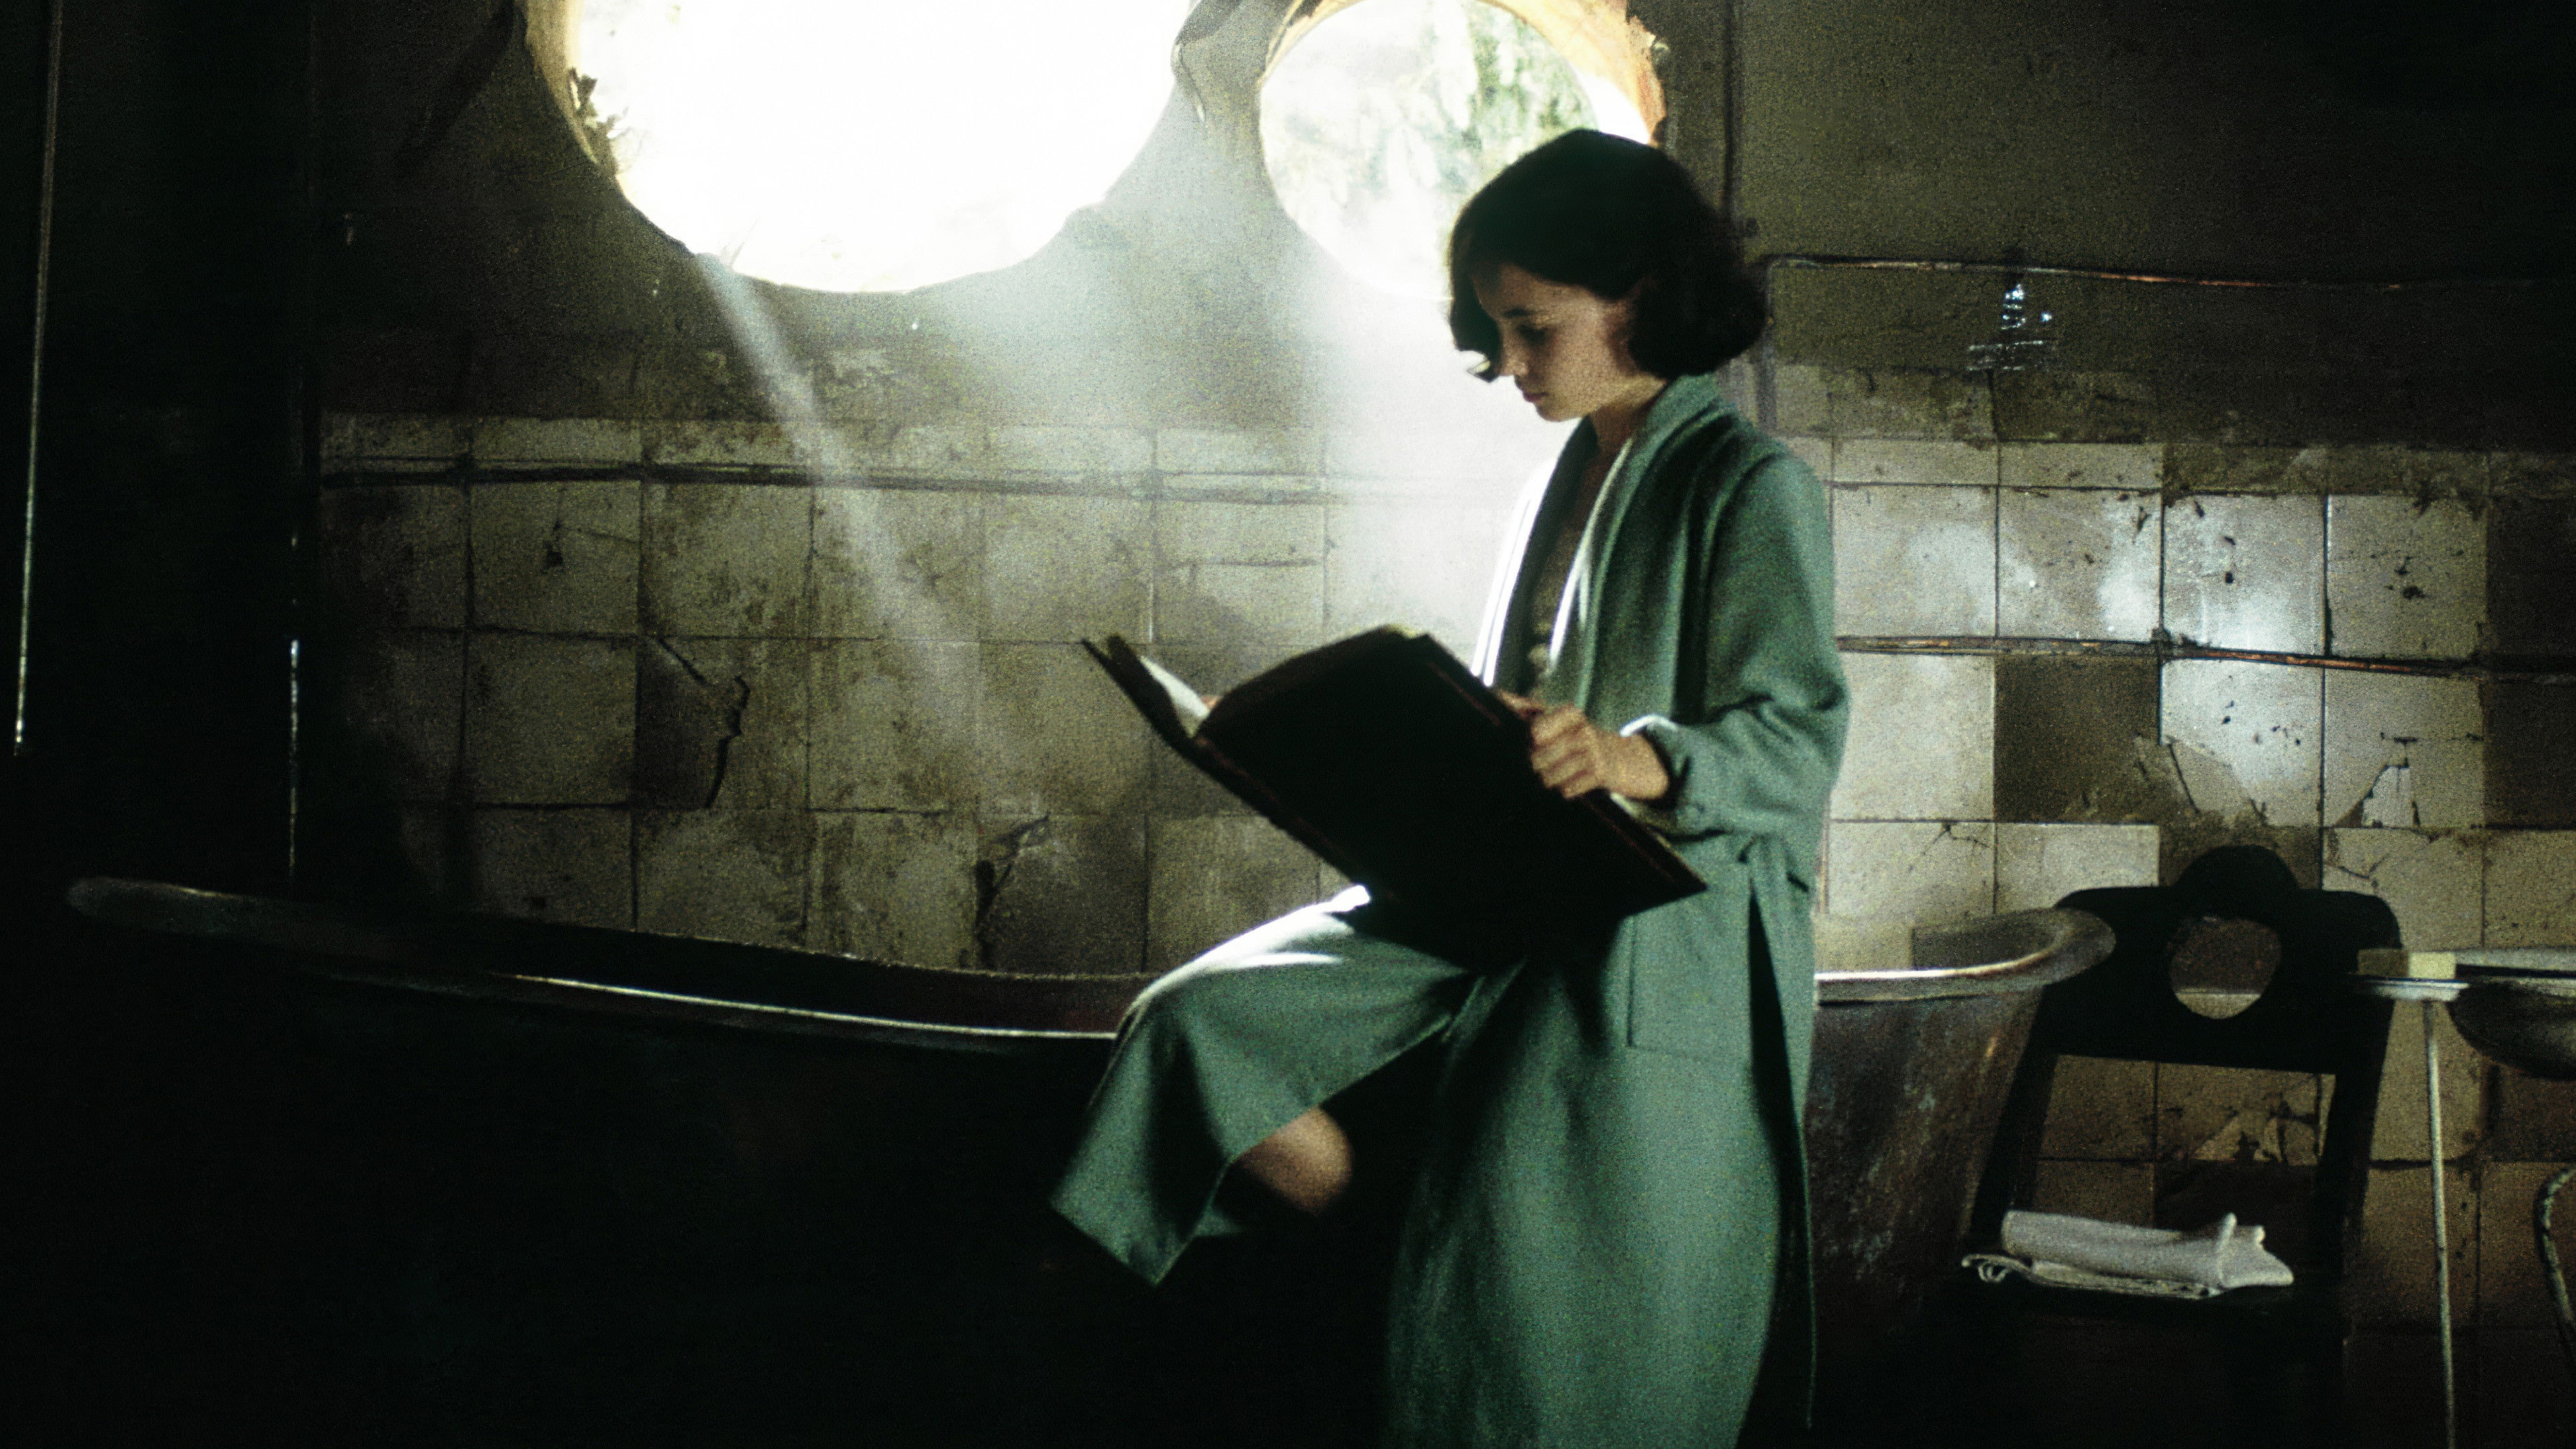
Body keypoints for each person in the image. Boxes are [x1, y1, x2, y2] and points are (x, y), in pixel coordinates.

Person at [1052, 129, 1848, 1448]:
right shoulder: (1561, 479)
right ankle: (1403, 1239)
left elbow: (1797, 740)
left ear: (1641, 296)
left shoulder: (1747, 483)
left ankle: (1434, 1256)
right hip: (1508, 885)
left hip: (1649, 931)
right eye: (1498, 331)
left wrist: (1629, 756)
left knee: (1565, 1333)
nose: (1511, 364)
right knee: (1197, 1028)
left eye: (1535, 328)